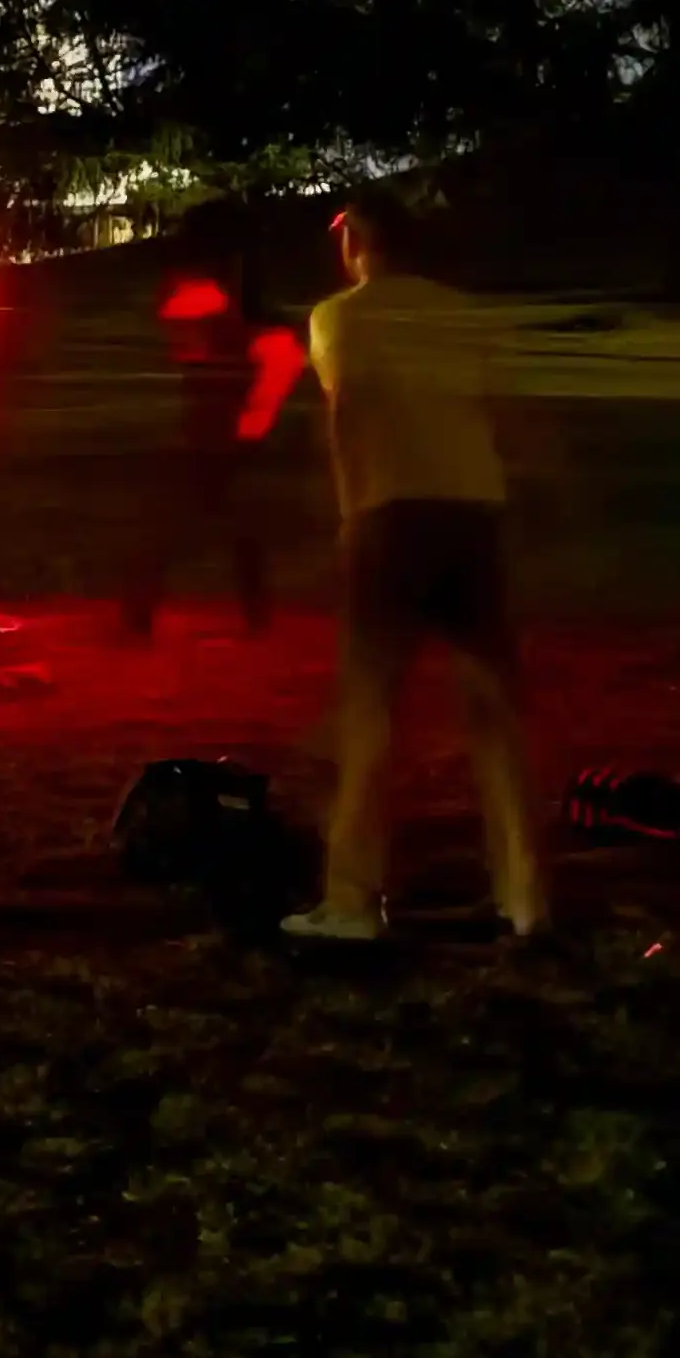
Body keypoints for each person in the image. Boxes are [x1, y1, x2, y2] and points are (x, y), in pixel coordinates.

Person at [284, 190, 545, 943]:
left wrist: (347, 514)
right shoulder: (459, 313)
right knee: (494, 711)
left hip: (392, 515)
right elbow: (500, 413)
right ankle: (524, 896)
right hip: (471, 509)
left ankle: (351, 899)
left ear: (357, 242)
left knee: (369, 713)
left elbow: (347, 415)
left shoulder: (337, 317)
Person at [127, 275, 302, 638]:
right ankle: (142, 611)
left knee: (231, 532)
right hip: (213, 448)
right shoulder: (212, 353)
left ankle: (254, 613)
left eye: (188, 327)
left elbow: (267, 393)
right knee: (185, 529)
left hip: (233, 450)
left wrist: (242, 437)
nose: (180, 337)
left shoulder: (264, 347)